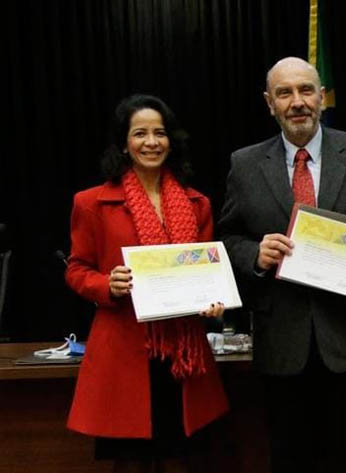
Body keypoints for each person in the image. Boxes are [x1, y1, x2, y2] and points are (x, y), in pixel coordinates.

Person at [218, 57, 346, 473]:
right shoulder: (244, 164)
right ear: (269, 103)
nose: (297, 102)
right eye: (284, 93)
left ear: (322, 97)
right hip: (283, 347)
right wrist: (254, 254)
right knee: (292, 460)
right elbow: (228, 238)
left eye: (306, 90)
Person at [65, 94, 229, 473]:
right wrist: (106, 284)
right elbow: (76, 269)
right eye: (140, 133)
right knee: (132, 462)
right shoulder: (90, 203)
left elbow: (206, 272)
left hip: (184, 358)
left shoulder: (198, 203)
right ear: (124, 144)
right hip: (126, 351)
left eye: (160, 133)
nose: (151, 142)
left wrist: (213, 299)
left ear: (171, 141)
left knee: (185, 460)